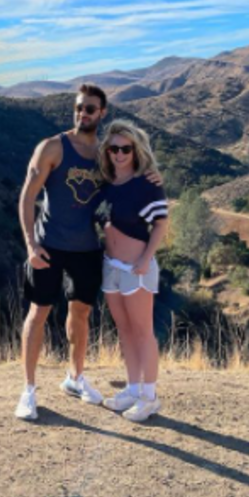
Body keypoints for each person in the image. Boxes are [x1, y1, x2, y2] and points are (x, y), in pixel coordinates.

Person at [14, 86, 162, 421]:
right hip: (48, 246)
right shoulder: (53, 147)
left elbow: (130, 173)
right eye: (79, 108)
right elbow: (27, 195)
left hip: (88, 250)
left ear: (102, 112)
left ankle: (76, 378)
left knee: (80, 313)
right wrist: (29, 243)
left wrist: (152, 173)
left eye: (91, 109)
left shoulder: (105, 153)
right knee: (38, 313)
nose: (83, 114)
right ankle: (29, 391)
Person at [97, 120, 169, 423]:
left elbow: (161, 224)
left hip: (136, 267)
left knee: (143, 332)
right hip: (111, 267)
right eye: (113, 148)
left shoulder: (146, 184)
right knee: (125, 331)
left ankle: (149, 397)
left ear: (136, 150)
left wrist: (145, 260)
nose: (119, 153)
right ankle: (133, 387)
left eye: (125, 148)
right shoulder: (105, 183)